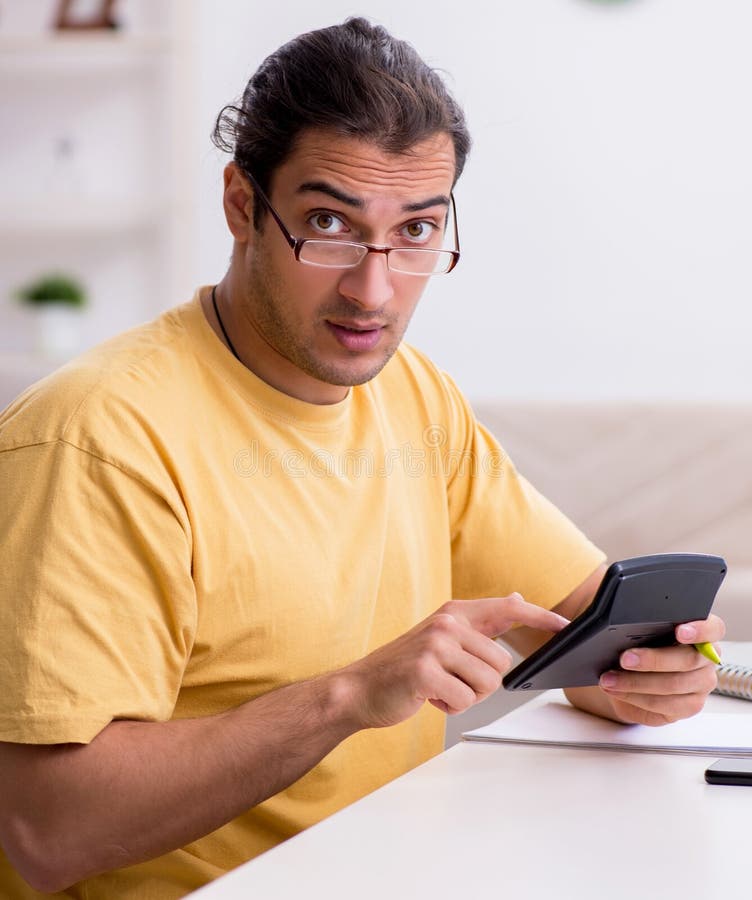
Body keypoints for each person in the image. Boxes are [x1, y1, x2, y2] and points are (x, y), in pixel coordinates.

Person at [0, 17, 723, 899]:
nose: (373, 289)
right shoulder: (98, 438)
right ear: (241, 205)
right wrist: (346, 697)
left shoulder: (415, 396)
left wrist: (645, 676)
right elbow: (48, 828)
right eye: (329, 223)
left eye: (415, 232)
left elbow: (582, 631)